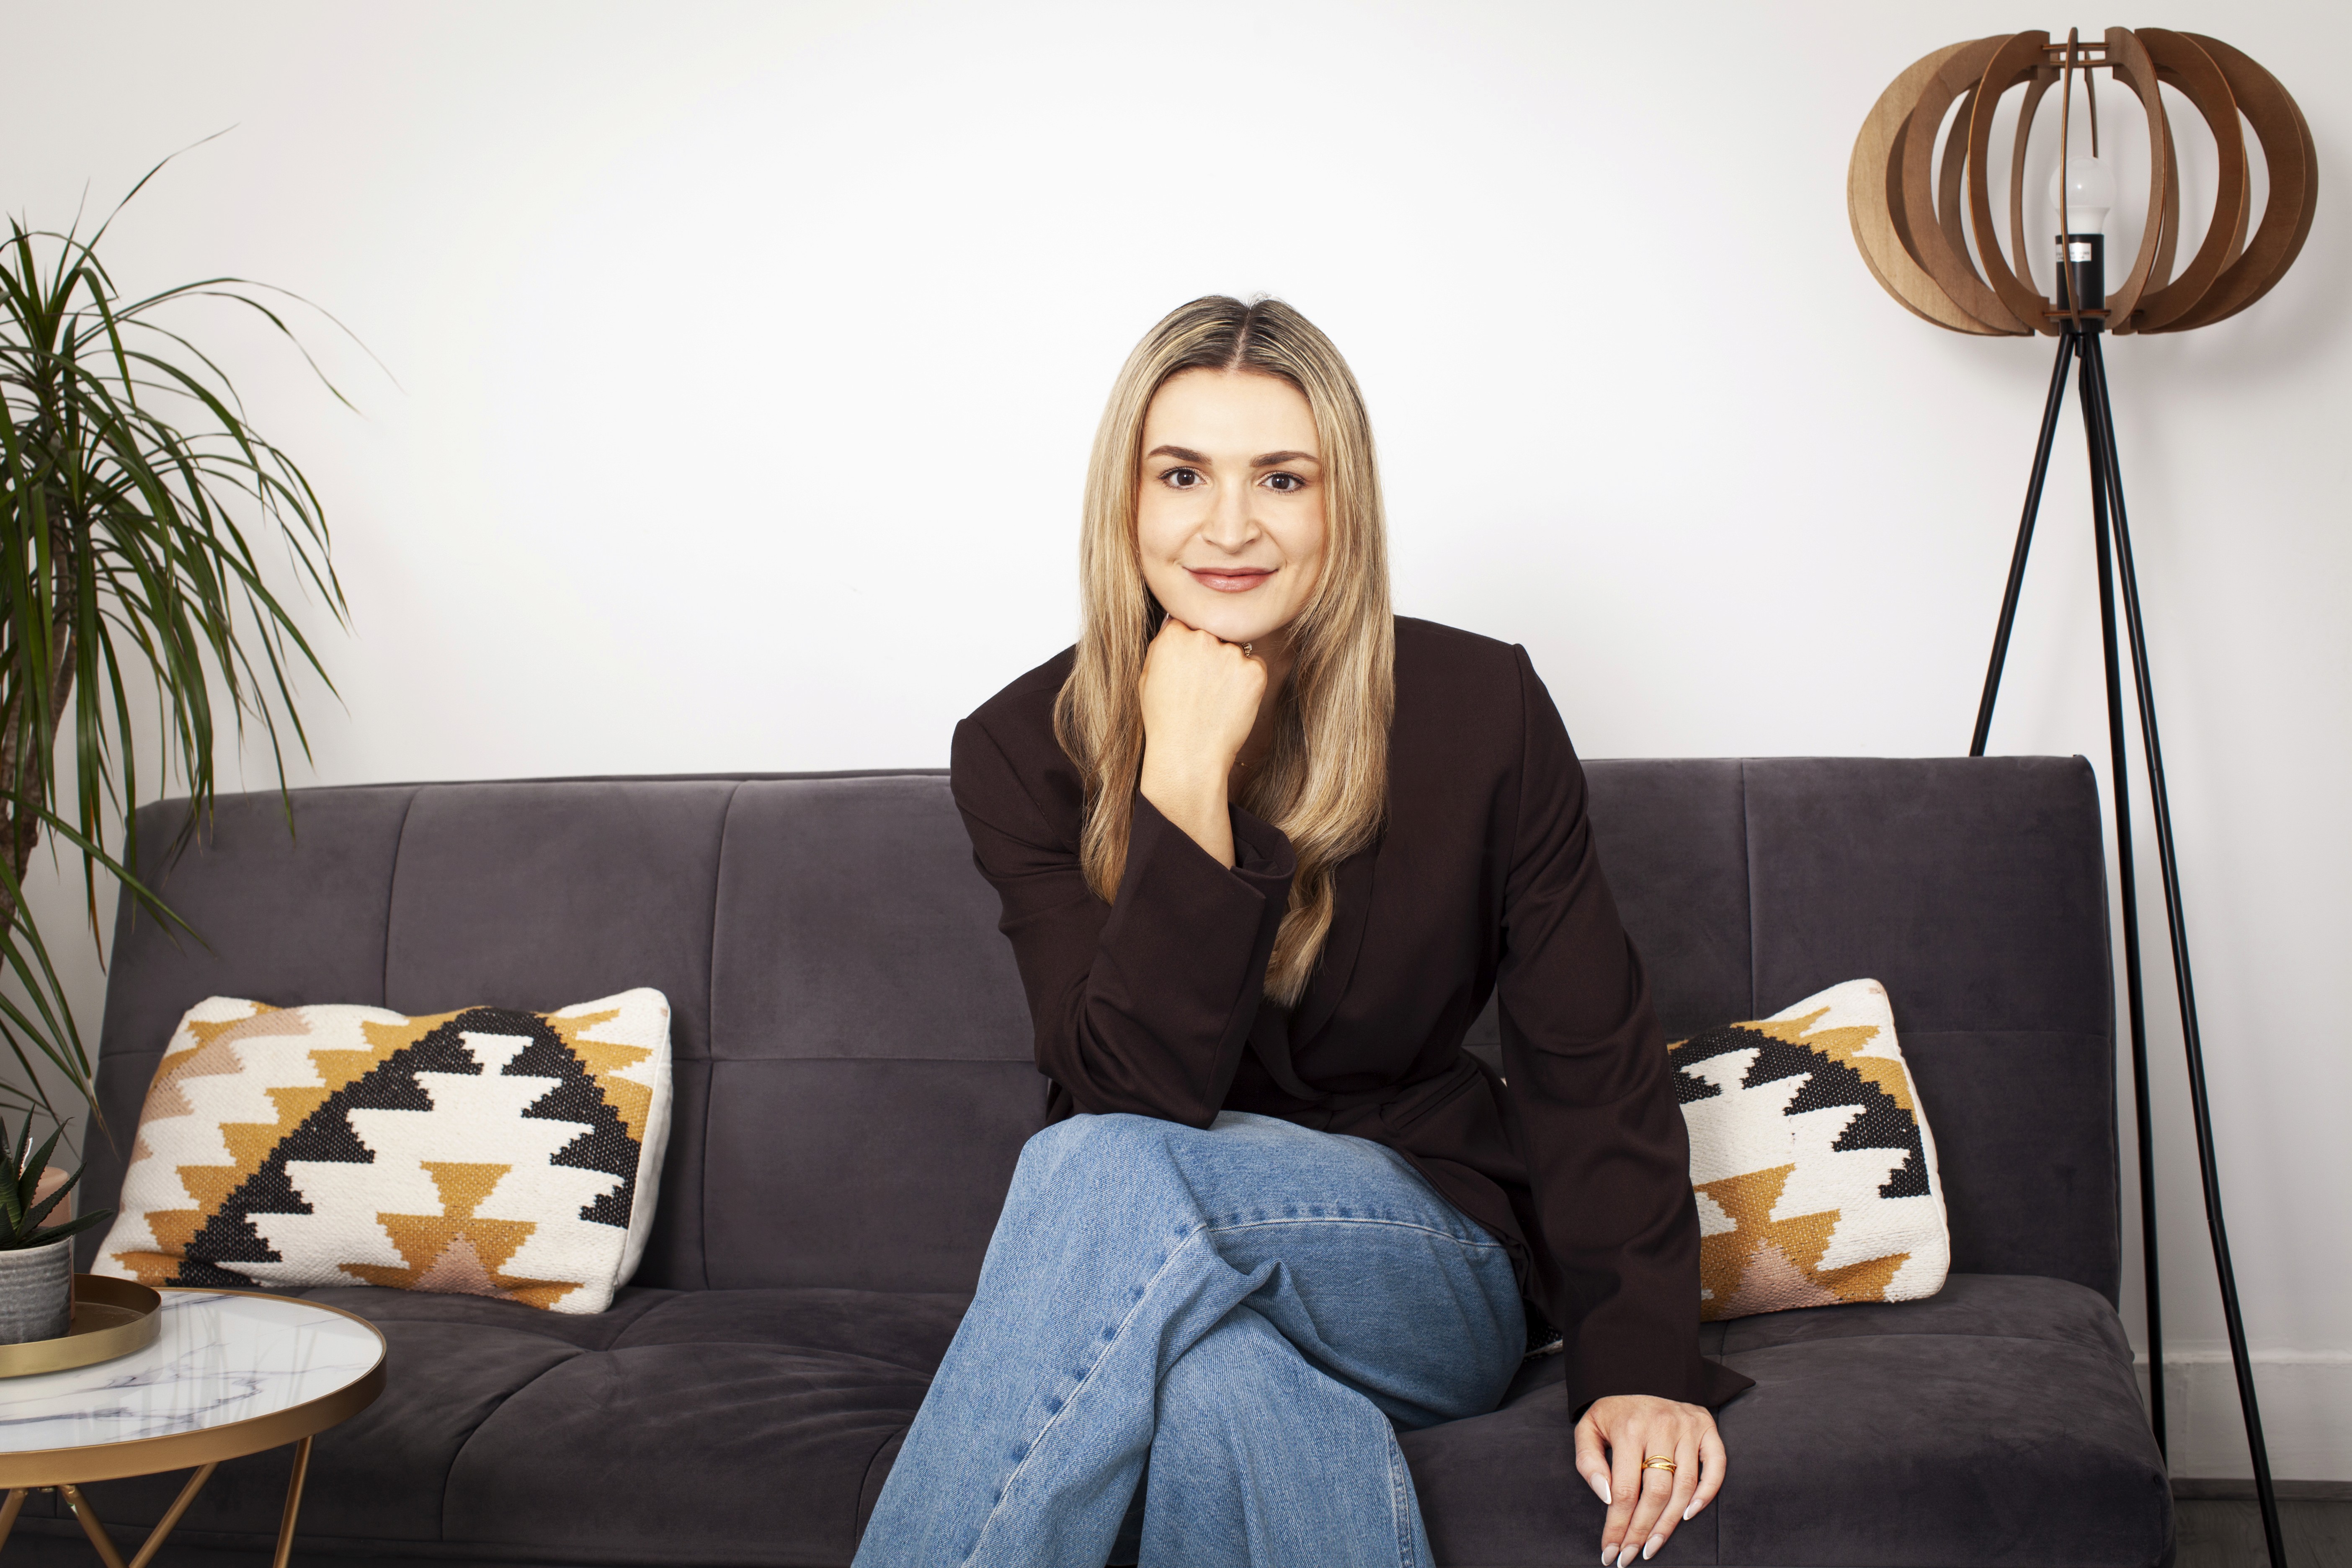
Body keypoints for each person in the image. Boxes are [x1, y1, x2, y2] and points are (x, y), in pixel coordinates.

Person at [854, 296, 1749, 1568]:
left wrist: (1645, 1362)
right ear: (1126, 503)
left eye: (1282, 478)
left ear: (1346, 505)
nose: (1229, 527)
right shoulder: (1019, 748)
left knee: (1090, 1169)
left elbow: (1588, 1059)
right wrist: (1184, 780)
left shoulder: (1477, 708)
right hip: (1154, 1242)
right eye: (1183, 476)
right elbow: (1135, 1086)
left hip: (1425, 1258)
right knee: (1223, 1385)